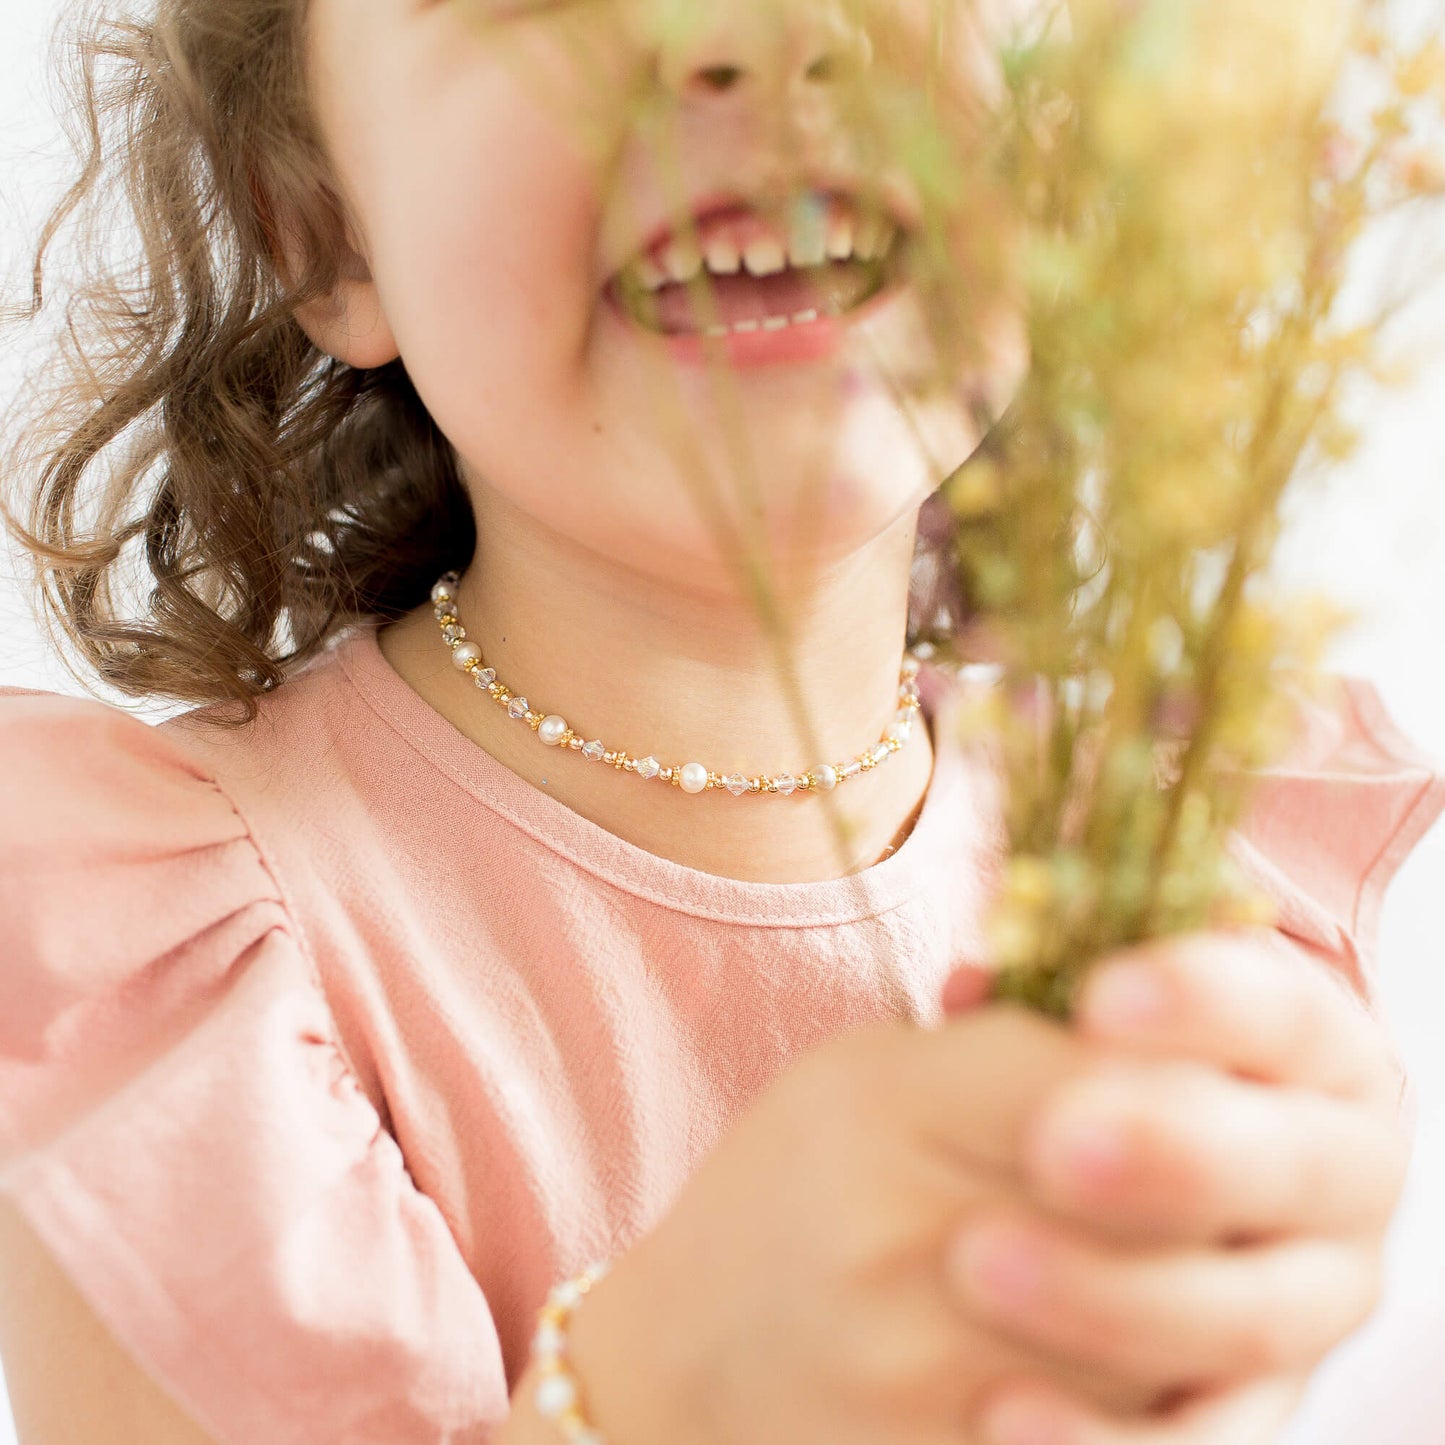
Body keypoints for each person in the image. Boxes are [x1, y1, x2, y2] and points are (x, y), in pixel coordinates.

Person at [1, 1, 1441, 1442]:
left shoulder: (1191, 854)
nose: (755, 37)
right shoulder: (171, 989)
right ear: (318, 224)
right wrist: (651, 1393)